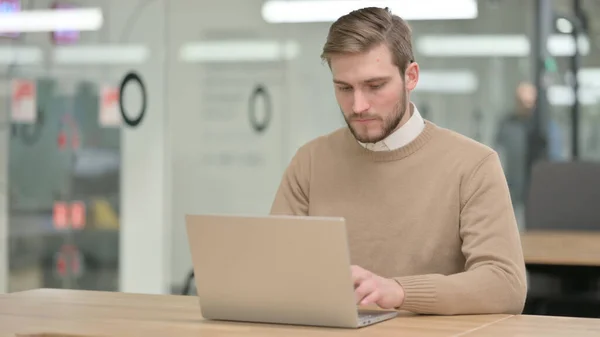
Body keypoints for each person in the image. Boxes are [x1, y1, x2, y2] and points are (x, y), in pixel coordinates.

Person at [270, 7, 527, 315]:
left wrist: (400, 291)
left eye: (375, 86)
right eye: (344, 88)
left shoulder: (474, 165)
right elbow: (275, 270)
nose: (358, 105)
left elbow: (506, 285)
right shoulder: (310, 162)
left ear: (411, 77)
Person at [495, 81, 565, 208]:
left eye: (529, 102)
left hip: (542, 187)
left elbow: (556, 157)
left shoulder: (546, 127)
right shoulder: (507, 125)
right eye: (521, 101)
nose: (525, 106)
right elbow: (498, 153)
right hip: (513, 186)